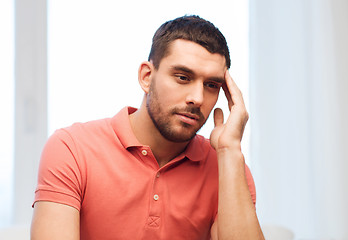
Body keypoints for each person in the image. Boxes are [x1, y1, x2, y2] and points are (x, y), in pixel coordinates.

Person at [31, 15, 265, 240]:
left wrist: (229, 152)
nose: (197, 97)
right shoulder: (72, 148)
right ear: (146, 76)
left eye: (212, 85)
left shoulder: (229, 166)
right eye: (183, 77)